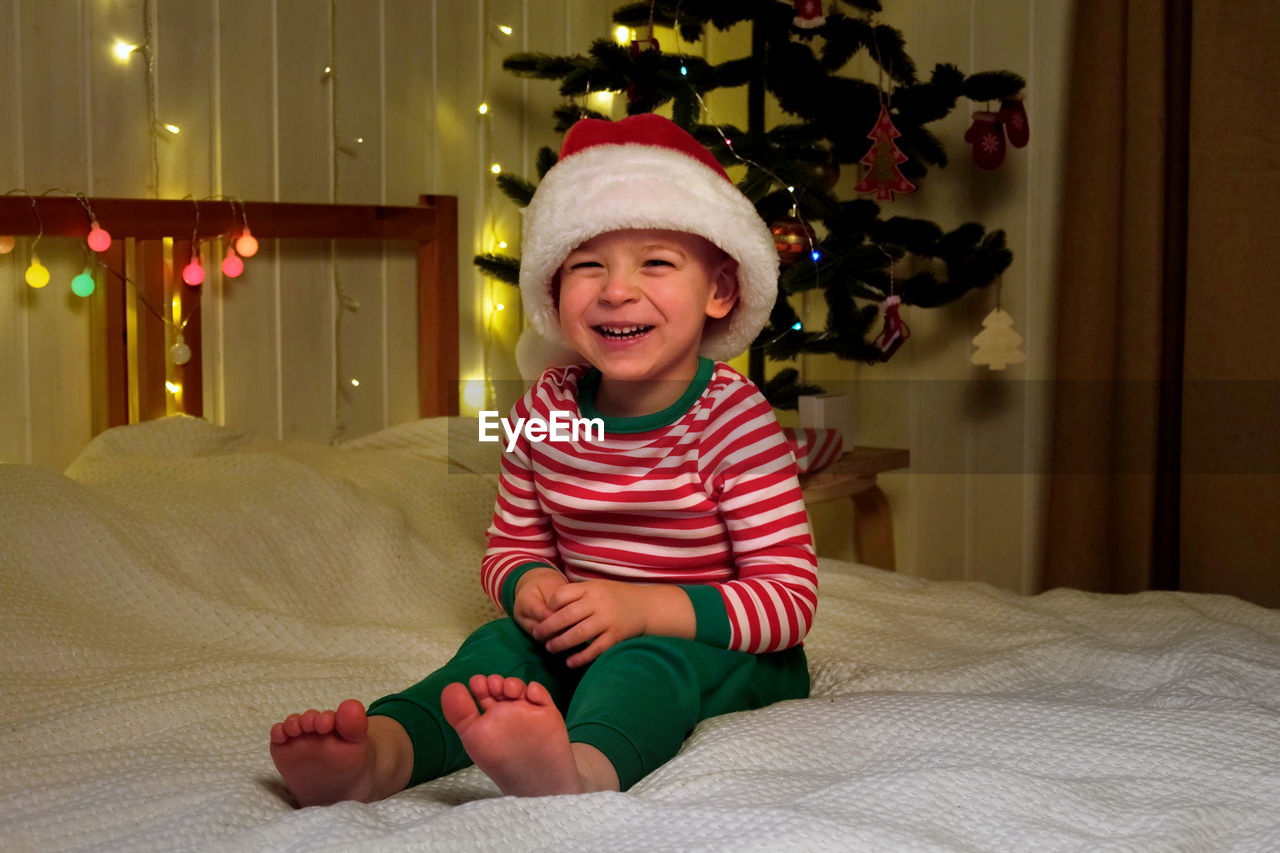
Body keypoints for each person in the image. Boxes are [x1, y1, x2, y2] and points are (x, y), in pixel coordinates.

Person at [268, 113, 818, 805]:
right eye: (588, 264)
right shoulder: (545, 411)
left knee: (647, 665)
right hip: (588, 625)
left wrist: (644, 609)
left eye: (656, 261)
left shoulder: (734, 421)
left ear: (721, 290)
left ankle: (578, 769)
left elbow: (788, 600)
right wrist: (529, 587)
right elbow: (509, 547)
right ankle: (383, 752)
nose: (617, 289)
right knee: (496, 651)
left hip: (719, 645)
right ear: (554, 295)